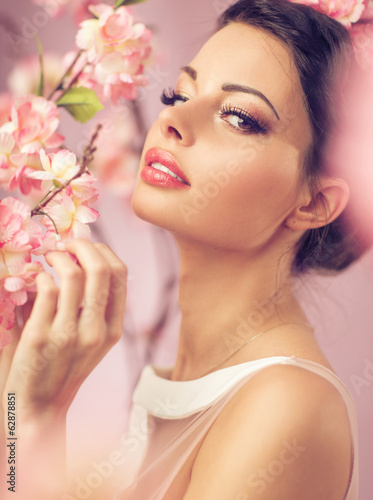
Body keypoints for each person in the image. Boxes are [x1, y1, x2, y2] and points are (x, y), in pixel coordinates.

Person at [0, 0, 366, 499]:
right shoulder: (173, 383)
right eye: (180, 92)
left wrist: (34, 420)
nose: (173, 119)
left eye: (238, 117)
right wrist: (14, 395)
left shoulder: (289, 407)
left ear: (315, 202)